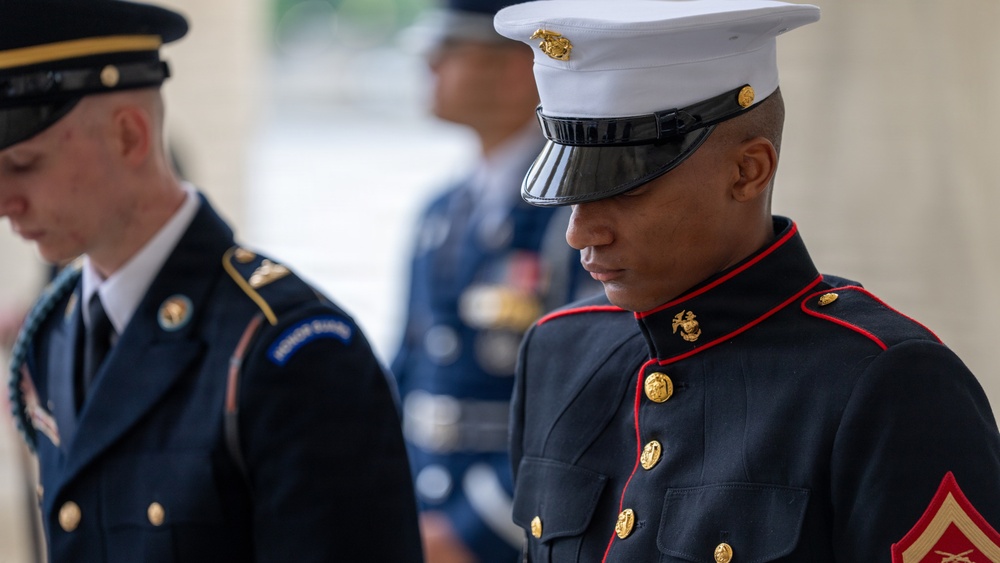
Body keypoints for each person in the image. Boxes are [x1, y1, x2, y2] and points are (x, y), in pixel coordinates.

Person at [493, 0, 1000, 561]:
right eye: (575, 193)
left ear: (748, 171)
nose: (580, 232)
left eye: (625, 190)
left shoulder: (885, 381)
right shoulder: (559, 349)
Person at [0, 1, 422, 561]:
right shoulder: (55, 331)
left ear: (129, 137)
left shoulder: (291, 352)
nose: (6, 201)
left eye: (24, 164)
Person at [392, 0, 598, 561]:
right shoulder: (441, 213)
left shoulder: (575, 216)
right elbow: (407, 373)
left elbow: (589, 402)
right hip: (421, 511)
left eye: (450, 49)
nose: (429, 65)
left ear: (516, 68)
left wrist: (473, 531)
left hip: (512, 531)